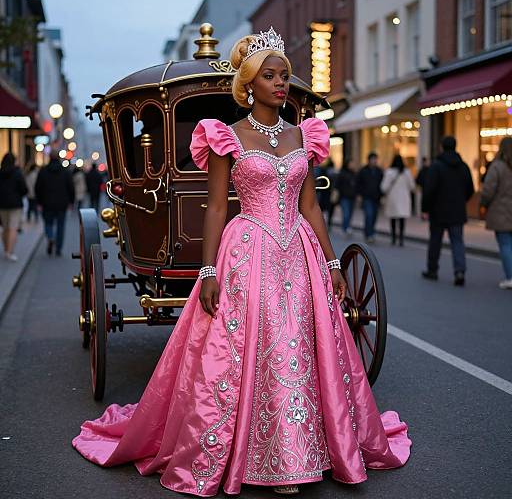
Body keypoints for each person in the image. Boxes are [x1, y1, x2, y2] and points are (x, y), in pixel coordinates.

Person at [72, 28, 411, 497]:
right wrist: (207, 271)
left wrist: (332, 264)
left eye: (285, 76)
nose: (280, 84)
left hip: (298, 251)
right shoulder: (226, 137)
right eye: (270, 76)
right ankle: (255, 451)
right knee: (253, 347)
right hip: (247, 248)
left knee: (299, 344)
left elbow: (310, 206)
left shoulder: (303, 135)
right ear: (249, 84)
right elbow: (214, 207)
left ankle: (299, 451)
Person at [421, 136, 474, 286]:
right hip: (457, 210)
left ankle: (432, 270)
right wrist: (461, 200)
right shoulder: (463, 166)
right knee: (457, 241)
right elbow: (470, 188)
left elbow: (429, 190)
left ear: (441, 147)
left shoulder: (437, 166)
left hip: (438, 210)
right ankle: (459, 271)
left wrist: (425, 209)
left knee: (435, 241)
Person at [479, 137, 512, 289]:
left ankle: (510, 277)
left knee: (505, 244)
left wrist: (483, 204)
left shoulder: (498, 166)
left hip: (501, 211)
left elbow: (488, 190)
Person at [35, 149, 75, 256]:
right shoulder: (65, 172)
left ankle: (50, 236)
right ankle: (58, 248)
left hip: (46, 202)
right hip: (62, 202)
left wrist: (38, 202)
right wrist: (71, 201)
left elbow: (38, 187)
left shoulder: (43, 171)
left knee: (48, 223)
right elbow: (71, 187)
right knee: (61, 226)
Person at [380, 155, 415, 246]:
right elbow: (412, 186)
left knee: (393, 219)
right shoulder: (407, 172)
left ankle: (393, 238)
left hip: (392, 198)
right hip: (404, 198)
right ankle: (401, 238)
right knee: (402, 219)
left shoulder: (389, 172)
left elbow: (384, 187)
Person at [0, 152, 28, 261]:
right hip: (15, 204)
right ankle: (9, 252)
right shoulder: (17, 173)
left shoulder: (0, 173)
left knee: (5, 227)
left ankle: (6, 249)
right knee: (13, 228)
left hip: (2, 204)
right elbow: (24, 189)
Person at [356, 152, 383, 242]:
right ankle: (368, 234)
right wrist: (359, 195)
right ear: (369, 160)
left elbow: (382, 184)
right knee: (369, 215)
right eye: (373, 159)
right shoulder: (363, 171)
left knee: (374, 216)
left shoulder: (379, 171)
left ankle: (371, 232)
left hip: (376, 197)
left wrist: (382, 196)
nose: (374, 161)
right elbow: (358, 183)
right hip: (366, 197)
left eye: (375, 159)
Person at [336, 159, 357, 235]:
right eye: (351, 163)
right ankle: (345, 228)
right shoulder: (342, 173)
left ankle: (347, 226)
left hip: (352, 197)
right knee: (346, 213)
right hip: (344, 197)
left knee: (350, 213)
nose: (352, 165)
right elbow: (337, 185)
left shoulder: (354, 173)